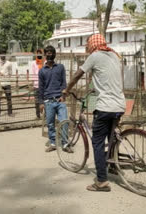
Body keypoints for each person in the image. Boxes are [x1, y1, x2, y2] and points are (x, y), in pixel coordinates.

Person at [63, 34, 126, 192]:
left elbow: (78, 74)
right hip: (119, 105)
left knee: (97, 142)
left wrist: (66, 90)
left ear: (92, 45)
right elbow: (106, 78)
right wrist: (94, 88)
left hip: (105, 107)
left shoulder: (95, 56)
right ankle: (112, 165)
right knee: (111, 137)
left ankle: (102, 181)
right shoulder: (114, 55)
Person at [38, 45, 71, 153]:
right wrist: (41, 102)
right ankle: (52, 143)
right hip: (48, 102)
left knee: (64, 122)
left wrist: (63, 96)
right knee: (50, 124)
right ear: (45, 55)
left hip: (60, 100)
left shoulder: (60, 67)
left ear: (54, 54)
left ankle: (65, 143)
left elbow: (64, 83)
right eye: (47, 52)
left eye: (51, 52)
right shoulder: (42, 71)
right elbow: (41, 87)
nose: (49, 54)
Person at [0, 50, 13, 117]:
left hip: (7, 83)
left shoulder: (9, 63)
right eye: (1, 54)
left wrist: (7, 77)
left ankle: (10, 112)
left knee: (9, 98)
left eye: (4, 54)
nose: (3, 55)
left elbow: (10, 73)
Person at [31, 49, 44, 118]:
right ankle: (38, 115)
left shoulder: (44, 62)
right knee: (36, 101)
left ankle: (45, 115)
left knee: (44, 100)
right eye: (37, 53)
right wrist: (33, 84)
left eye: (40, 53)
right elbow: (33, 73)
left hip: (44, 85)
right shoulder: (34, 63)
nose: (39, 55)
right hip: (36, 85)